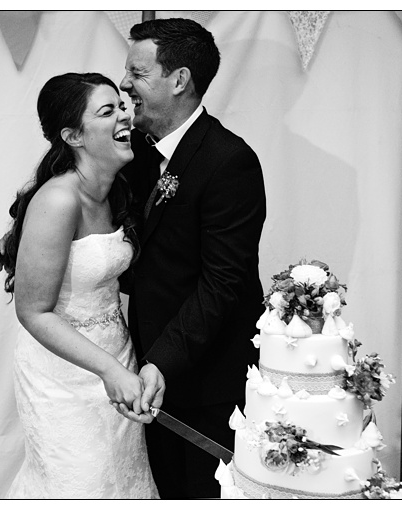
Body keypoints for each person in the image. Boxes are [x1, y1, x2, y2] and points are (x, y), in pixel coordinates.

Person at [119, 18, 267, 499]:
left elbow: (222, 283)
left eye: (137, 74)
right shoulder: (137, 151)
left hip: (207, 384)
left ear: (179, 79)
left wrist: (161, 361)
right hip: (149, 378)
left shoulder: (229, 161)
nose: (125, 85)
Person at [0, 73, 158, 498]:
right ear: (73, 135)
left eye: (122, 105)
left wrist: (119, 367)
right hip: (63, 375)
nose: (125, 114)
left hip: (119, 357)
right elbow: (32, 311)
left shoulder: (118, 185)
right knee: (79, 485)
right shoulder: (59, 200)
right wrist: (108, 369)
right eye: (108, 111)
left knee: (122, 484)